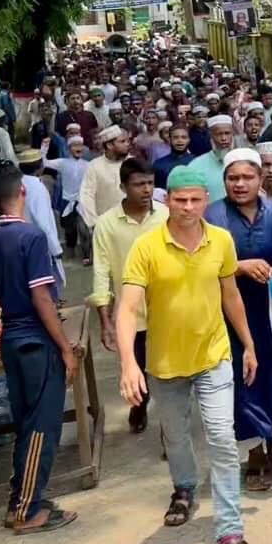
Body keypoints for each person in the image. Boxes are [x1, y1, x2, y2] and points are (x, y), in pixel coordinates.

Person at [115, 166, 262, 544]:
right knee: (176, 436)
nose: (188, 208)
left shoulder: (221, 241)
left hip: (214, 356)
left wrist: (247, 342)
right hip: (165, 364)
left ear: (205, 201)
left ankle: (231, 533)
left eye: (196, 200)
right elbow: (127, 307)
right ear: (167, 201)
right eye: (180, 200)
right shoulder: (147, 247)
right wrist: (129, 363)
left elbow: (230, 294)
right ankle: (184, 487)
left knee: (220, 436)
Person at [0, 163, 79, 535]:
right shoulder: (31, 237)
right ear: (22, 191)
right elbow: (41, 296)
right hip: (35, 340)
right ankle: (27, 509)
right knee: (42, 427)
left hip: (12, 337)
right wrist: (66, 348)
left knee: (26, 424)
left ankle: (22, 498)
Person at [205, 150, 272, 494]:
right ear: (224, 182)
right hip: (230, 311)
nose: (240, 184)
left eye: (248, 177)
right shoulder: (213, 215)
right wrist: (240, 266)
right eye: (233, 178)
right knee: (243, 381)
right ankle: (255, 453)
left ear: (261, 180)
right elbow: (201, 263)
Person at [88, 157, 167, 433]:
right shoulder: (107, 224)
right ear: (123, 187)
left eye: (149, 183)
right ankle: (139, 405)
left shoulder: (166, 216)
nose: (146, 190)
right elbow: (101, 272)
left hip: (166, 311)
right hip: (131, 316)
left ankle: (170, 435)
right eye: (138, 185)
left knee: (169, 377)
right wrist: (105, 320)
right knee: (138, 370)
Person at [79, 126, 130, 263]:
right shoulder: (94, 166)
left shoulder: (132, 163)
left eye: (127, 141)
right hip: (107, 228)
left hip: (133, 226)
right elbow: (86, 196)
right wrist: (94, 224)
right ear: (109, 145)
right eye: (122, 141)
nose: (127, 144)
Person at [17, 149, 66, 288]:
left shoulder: (19, 184)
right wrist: (56, 249)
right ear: (40, 168)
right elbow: (43, 223)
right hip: (41, 246)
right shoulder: (37, 188)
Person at [190, 115, 236, 203]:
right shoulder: (195, 166)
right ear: (210, 136)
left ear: (232, 134)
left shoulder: (243, 160)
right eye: (219, 134)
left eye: (227, 133)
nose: (223, 138)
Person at [153, 124, 195, 190]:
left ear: (189, 140)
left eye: (183, 137)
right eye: (175, 137)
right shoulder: (158, 164)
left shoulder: (197, 162)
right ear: (169, 139)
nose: (179, 140)